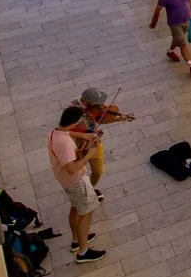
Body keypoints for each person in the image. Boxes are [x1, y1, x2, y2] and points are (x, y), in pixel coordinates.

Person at [47, 106, 105, 263]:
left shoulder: (55, 132)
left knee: (76, 207)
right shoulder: (65, 143)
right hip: (76, 181)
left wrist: (85, 137)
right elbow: (72, 168)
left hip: (67, 181)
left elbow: (68, 133)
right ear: (73, 122)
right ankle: (83, 251)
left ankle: (76, 240)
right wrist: (90, 154)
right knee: (86, 212)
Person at [76, 87, 134, 196]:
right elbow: (66, 131)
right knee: (78, 172)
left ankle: (90, 189)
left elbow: (101, 119)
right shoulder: (71, 110)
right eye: (97, 105)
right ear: (85, 102)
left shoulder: (95, 110)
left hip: (93, 143)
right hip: (76, 146)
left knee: (98, 171)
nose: (101, 108)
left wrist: (119, 118)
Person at [150, 0, 191, 75]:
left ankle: (170, 51)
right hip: (174, 24)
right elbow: (158, 9)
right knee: (182, 43)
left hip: (186, 20)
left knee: (178, 39)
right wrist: (153, 23)